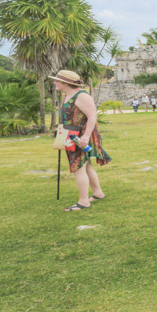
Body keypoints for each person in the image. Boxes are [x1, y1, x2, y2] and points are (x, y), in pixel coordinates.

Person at [50, 70, 111, 211]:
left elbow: (92, 116)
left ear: (66, 83)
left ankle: (84, 201)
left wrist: (85, 136)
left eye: (57, 80)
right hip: (69, 135)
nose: (55, 83)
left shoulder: (82, 96)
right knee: (86, 165)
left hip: (80, 137)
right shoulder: (67, 95)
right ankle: (98, 193)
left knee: (78, 167)